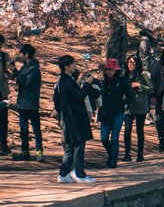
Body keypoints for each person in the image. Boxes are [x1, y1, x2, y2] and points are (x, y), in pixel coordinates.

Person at [55, 55, 100, 183]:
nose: (75, 66)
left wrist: (81, 80)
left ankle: (64, 174)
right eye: (73, 64)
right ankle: (79, 174)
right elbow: (79, 96)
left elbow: (74, 93)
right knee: (79, 144)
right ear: (67, 66)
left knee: (69, 146)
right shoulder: (66, 81)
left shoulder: (65, 80)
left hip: (69, 116)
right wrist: (86, 84)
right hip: (74, 117)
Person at [97, 58, 131, 169]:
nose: (108, 72)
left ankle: (113, 161)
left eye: (111, 69)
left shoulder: (122, 81)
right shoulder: (102, 82)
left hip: (118, 112)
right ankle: (112, 154)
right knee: (104, 138)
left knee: (115, 138)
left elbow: (130, 97)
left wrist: (123, 104)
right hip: (105, 112)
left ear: (116, 70)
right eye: (107, 69)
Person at [12, 43, 43, 162]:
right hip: (23, 102)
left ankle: (39, 152)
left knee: (36, 129)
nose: (20, 55)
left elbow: (26, 82)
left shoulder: (34, 69)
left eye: (21, 53)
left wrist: (14, 71)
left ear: (26, 54)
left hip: (31, 103)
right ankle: (24, 152)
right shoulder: (25, 67)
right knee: (23, 129)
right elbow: (21, 80)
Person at [123, 54, 151, 162]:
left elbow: (150, 88)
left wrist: (139, 86)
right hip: (128, 106)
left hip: (140, 105)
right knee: (127, 129)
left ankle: (140, 153)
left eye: (134, 62)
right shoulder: (124, 74)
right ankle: (127, 153)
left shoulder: (143, 74)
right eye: (129, 62)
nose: (131, 64)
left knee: (140, 130)